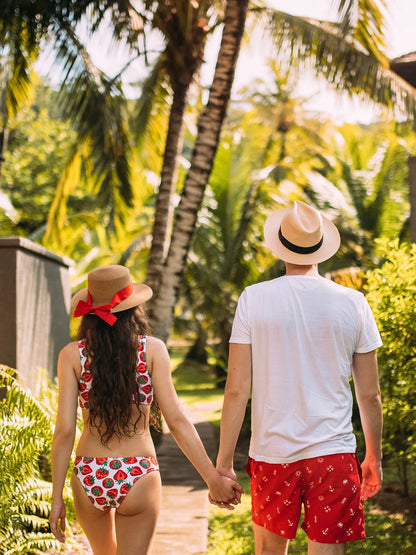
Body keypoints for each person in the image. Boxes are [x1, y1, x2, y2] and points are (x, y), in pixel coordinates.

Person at [212, 201, 383, 555]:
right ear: (320, 247)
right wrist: (374, 457)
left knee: (268, 551)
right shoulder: (354, 302)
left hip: (273, 455)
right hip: (334, 454)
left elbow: (237, 389)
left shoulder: (253, 299)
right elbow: (369, 395)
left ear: (280, 247)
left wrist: (224, 463)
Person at [49, 264, 242, 554]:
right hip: (138, 472)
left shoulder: (71, 355)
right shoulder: (152, 349)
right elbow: (176, 420)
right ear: (133, 308)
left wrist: (56, 498)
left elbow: (65, 430)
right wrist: (212, 480)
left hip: (89, 472)